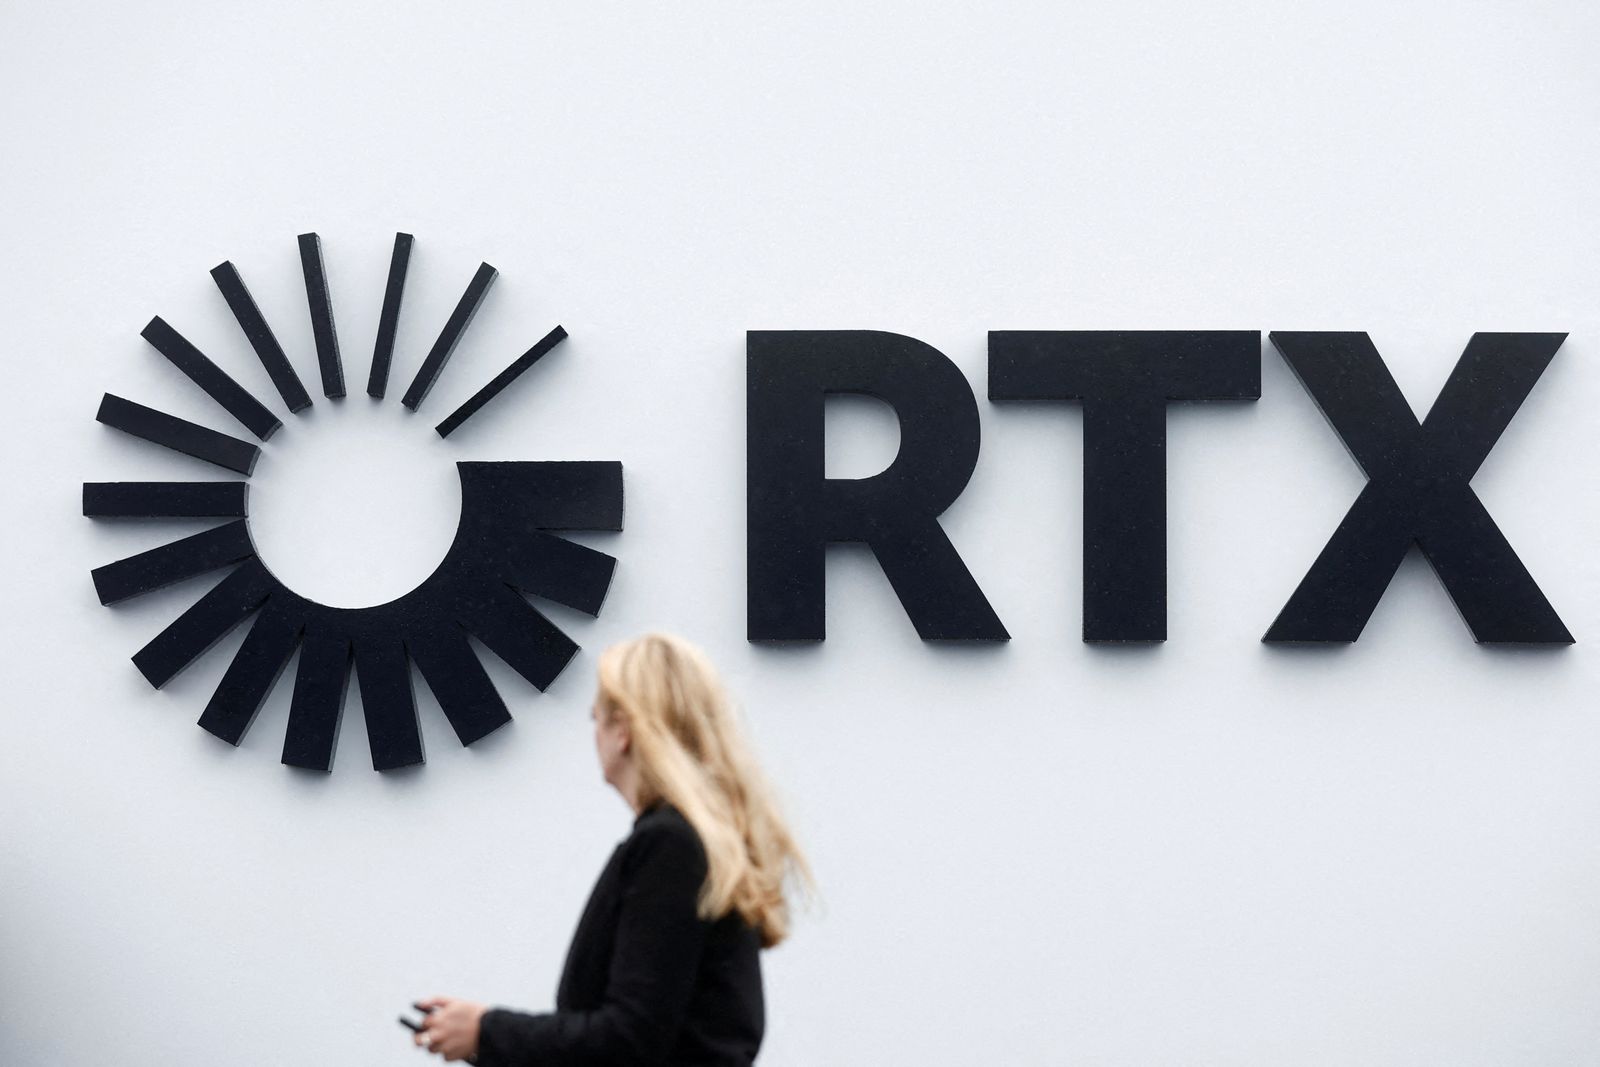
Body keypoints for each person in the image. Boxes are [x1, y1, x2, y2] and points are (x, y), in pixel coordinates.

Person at [413, 632, 811, 1065]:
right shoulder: (700, 842)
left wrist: (486, 1032)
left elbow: (628, 1039)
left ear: (622, 732)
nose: (595, 736)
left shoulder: (670, 846)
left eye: (596, 719)